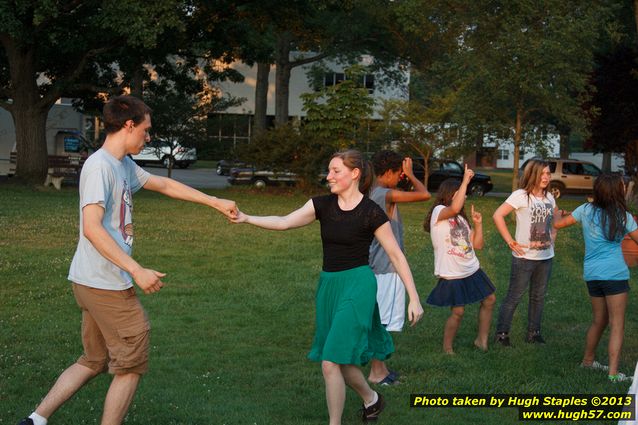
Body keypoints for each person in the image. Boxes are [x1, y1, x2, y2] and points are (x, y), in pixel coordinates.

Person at [18, 95, 237, 425]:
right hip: (107, 283)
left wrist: (213, 201)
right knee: (131, 365)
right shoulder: (100, 167)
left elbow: (161, 183)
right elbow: (92, 228)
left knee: (93, 360)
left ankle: (35, 419)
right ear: (129, 125)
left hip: (90, 280)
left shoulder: (121, 164)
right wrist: (136, 269)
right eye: (146, 130)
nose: (148, 137)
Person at [231, 149, 424, 425]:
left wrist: (413, 298)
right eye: (329, 170)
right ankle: (372, 400)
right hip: (329, 286)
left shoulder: (371, 211)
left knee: (330, 360)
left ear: (354, 174)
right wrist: (247, 218)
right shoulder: (322, 205)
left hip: (358, 285)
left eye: (335, 171)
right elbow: (285, 222)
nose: (328, 176)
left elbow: (395, 254)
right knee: (342, 359)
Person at [553, 173, 638, 382]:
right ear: (616, 191)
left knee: (599, 320)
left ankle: (588, 361)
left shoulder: (585, 210)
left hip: (592, 274)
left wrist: (556, 214)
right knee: (617, 323)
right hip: (615, 275)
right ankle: (613, 374)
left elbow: (558, 224)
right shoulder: (623, 215)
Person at [367, 151, 430, 384]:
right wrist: (412, 175)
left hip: (376, 265)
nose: (400, 179)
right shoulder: (385, 194)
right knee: (382, 323)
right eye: (399, 174)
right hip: (387, 267)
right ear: (391, 172)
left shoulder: (371, 191)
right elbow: (424, 195)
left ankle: (381, 369)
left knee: (379, 320)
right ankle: (376, 373)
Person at [424, 169, 496, 354]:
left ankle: (482, 340)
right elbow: (454, 207)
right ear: (449, 195)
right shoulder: (439, 212)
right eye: (459, 194)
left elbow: (477, 245)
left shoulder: (461, 218)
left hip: (471, 268)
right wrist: (465, 180)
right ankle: (447, 349)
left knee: (490, 299)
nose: (463, 198)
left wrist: (478, 224)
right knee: (458, 312)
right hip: (453, 271)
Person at [492, 159, 556, 346]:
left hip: (545, 257)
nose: (546, 177)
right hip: (524, 258)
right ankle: (502, 334)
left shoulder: (550, 198)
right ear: (532, 174)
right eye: (542, 173)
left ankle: (533, 333)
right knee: (514, 296)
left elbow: (555, 219)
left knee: (538, 296)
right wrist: (510, 241)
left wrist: (554, 238)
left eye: (548, 173)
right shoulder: (521, 195)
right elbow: (498, 215)